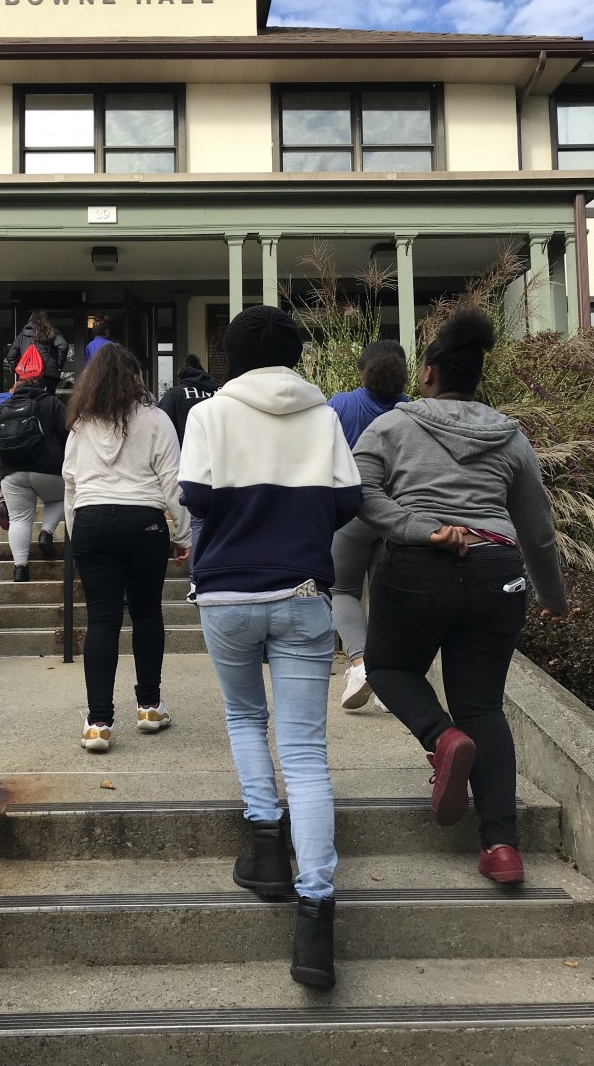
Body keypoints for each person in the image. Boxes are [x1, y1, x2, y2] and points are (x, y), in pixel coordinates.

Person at [179, 306, 363, 991]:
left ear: (229, 354)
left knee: (245, 718)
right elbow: (350, 503)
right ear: (295, 356)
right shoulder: (323, 418)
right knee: (308, 756)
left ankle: (264, 849)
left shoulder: (210, 415)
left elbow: (195, 496)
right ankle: (316, 911)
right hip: (304, 594)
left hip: (227, 596)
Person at [354, 309, 568, 886]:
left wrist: (418, 529)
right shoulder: (510, 434)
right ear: (477, 378)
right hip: (497, 569)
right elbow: (538, 528)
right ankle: (501, 847)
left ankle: (441, 738)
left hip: (416, 567)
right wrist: (553, 596)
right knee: (484, 706)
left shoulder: (391, 428)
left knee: (389, 666)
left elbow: (358, 494)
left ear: (426, 374)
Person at [63, 342, 191, 753]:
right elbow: (173, 481)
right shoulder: (156, 420)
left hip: (91, 520)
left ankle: (98, 723)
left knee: (101, 620)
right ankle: (150, 706)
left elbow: (70, 482)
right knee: (147, 611)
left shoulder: (81, 424)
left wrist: (74, 529)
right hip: (144, 522)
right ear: (137, 377)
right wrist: (184, 534)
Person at [328, 340, 410, 711]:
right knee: (383, 597)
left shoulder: (341, 405)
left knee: (342, 590)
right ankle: (388, 679)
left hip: (350, 512)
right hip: (396, 516)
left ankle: (361, 665)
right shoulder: (411, 410)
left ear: (363, 369)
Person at [0, 362, 68, 583]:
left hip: (11, 472)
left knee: (20, 519)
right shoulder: (53, 403)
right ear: (42, 383)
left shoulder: (3, 408)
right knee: (64, 496)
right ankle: (46, 533)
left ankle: (20, 569)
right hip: (50, 470)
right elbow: (68, 435)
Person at [158, 354, 219, 603]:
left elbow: (162, 426)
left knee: (197, 522)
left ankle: (196, 581)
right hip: (224, 466)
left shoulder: (175, 394)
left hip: (191, 466)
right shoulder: (219, 393)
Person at [6, 310, 69, 396]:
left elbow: (10, 356)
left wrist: (19, 370)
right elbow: (63, 345)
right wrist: (58, 364)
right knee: (48, 402)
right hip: (48, 374)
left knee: (29, 401)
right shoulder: (51, 332)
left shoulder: (22, 335)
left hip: (29, 374)